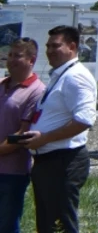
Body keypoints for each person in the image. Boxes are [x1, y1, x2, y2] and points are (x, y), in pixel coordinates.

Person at [25, 25, 97, 233]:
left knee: (60, 225)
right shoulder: (61, 74)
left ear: (72, 47)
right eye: (47, 46)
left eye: (55, 46)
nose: (49, 51)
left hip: (64, 161)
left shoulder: (76, 76)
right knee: (47, 224)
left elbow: (84, 119)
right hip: (49, 161)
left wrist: (44, 138)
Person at [0, 38, 44, 233]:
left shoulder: (37, 91)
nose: (10, 60)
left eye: (17, 56)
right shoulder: (2, 84)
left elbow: (23, 134)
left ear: (31, 60)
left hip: (11, 172)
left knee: (7, 224)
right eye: (9, 55)